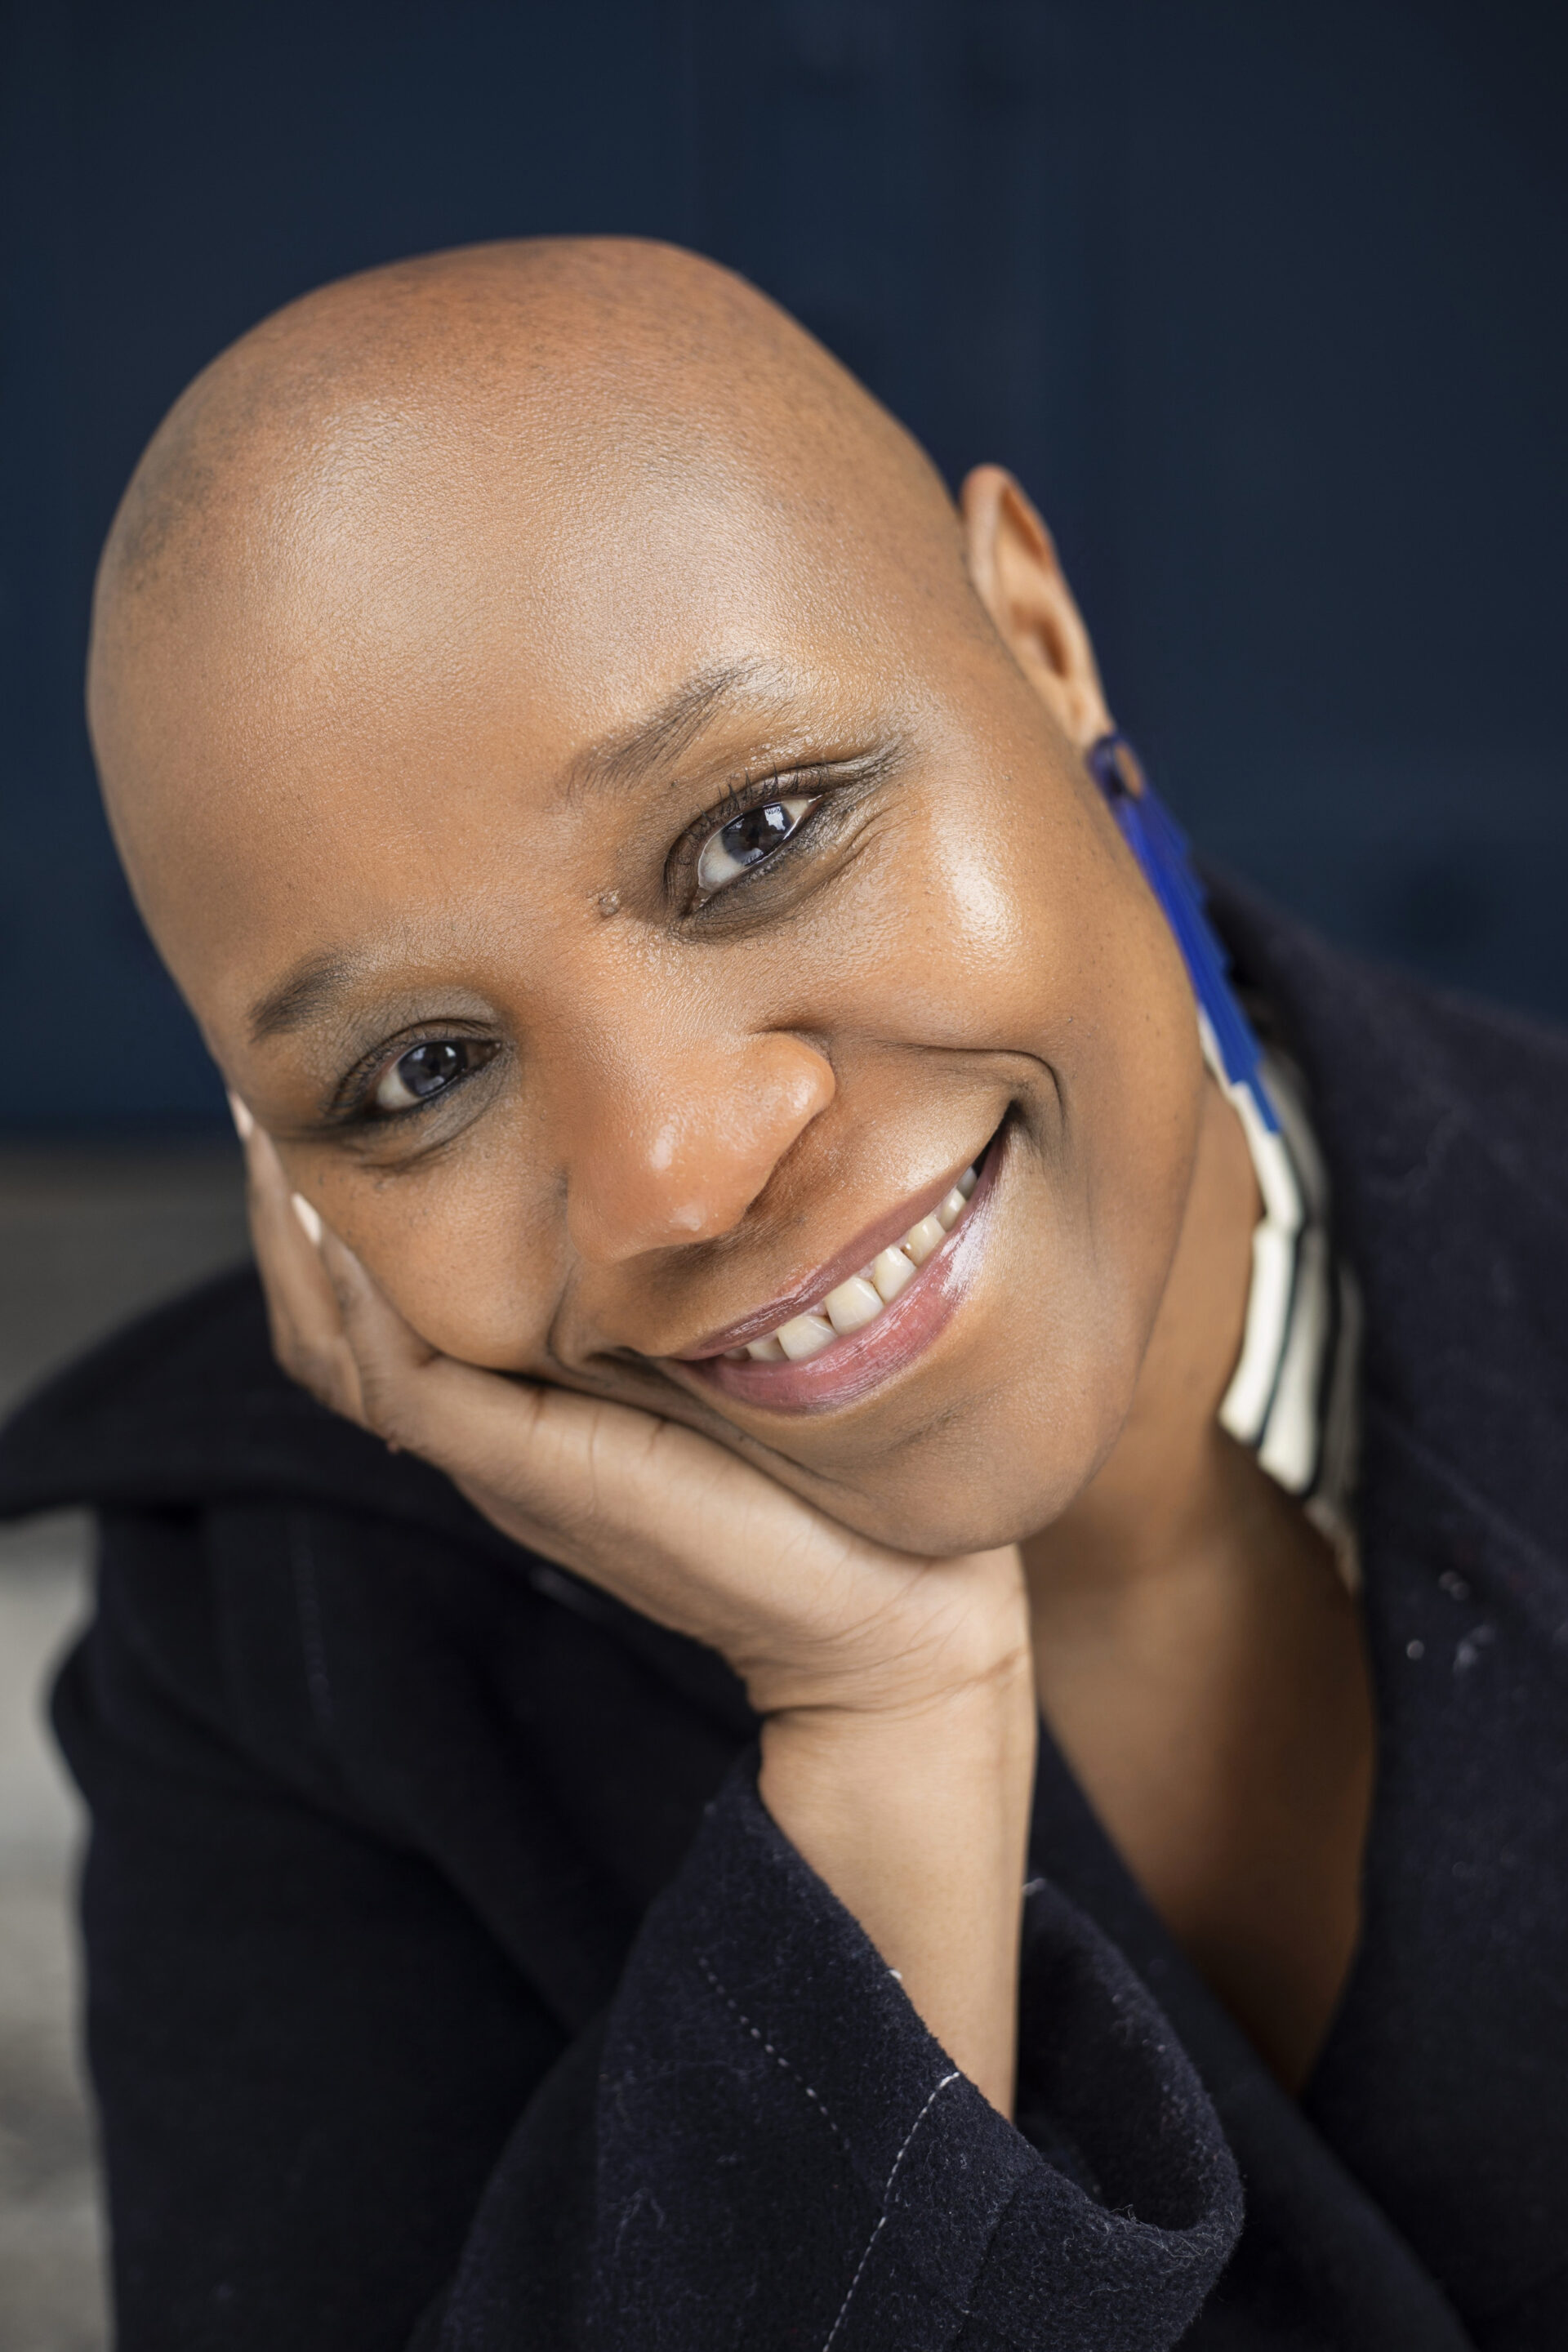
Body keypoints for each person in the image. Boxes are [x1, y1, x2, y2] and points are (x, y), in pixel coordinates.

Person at [1, 237, 1563, 2351]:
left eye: (755, 835)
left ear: (1040, 644)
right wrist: (882, 1739)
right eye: (421, 1073)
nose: (679, 1168)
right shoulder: (290, 1634)